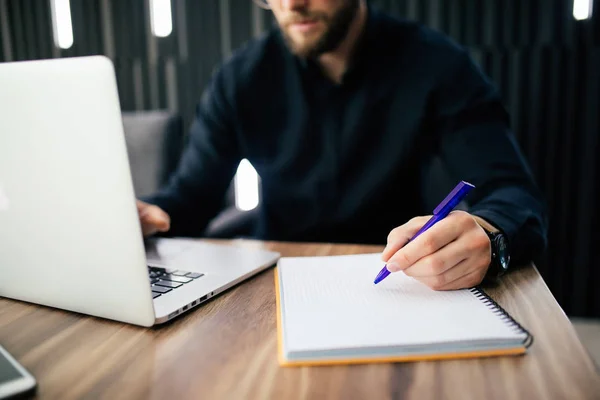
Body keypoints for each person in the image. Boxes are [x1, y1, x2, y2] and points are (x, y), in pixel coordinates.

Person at [138, 0, 547, 290]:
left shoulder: (437, 64)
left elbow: (513, 194)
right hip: (276, 280)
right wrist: (141, 216)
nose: (291, 3)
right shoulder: (240, 77)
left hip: (401, 277)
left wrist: (489, 234)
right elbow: (191, 195)